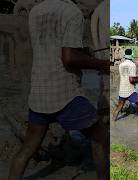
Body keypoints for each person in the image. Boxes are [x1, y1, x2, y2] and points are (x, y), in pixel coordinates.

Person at [8, 0, 108, 180]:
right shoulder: (72, 12)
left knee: (28, 148)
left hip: (39, 93)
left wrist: (83, 51)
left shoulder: (36, 12)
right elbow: (68, 58)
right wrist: (101, 64)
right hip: (66, 95)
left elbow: (52, 47)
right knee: (100, 136)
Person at [112, 49, 138, 122]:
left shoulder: (121, 64)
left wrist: (137, 78)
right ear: (132, 55)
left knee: (119, 106)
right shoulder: (132, 65)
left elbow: (127, 76)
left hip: (122, 90)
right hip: (130, 91)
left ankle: (113, 121)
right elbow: (131, 80)